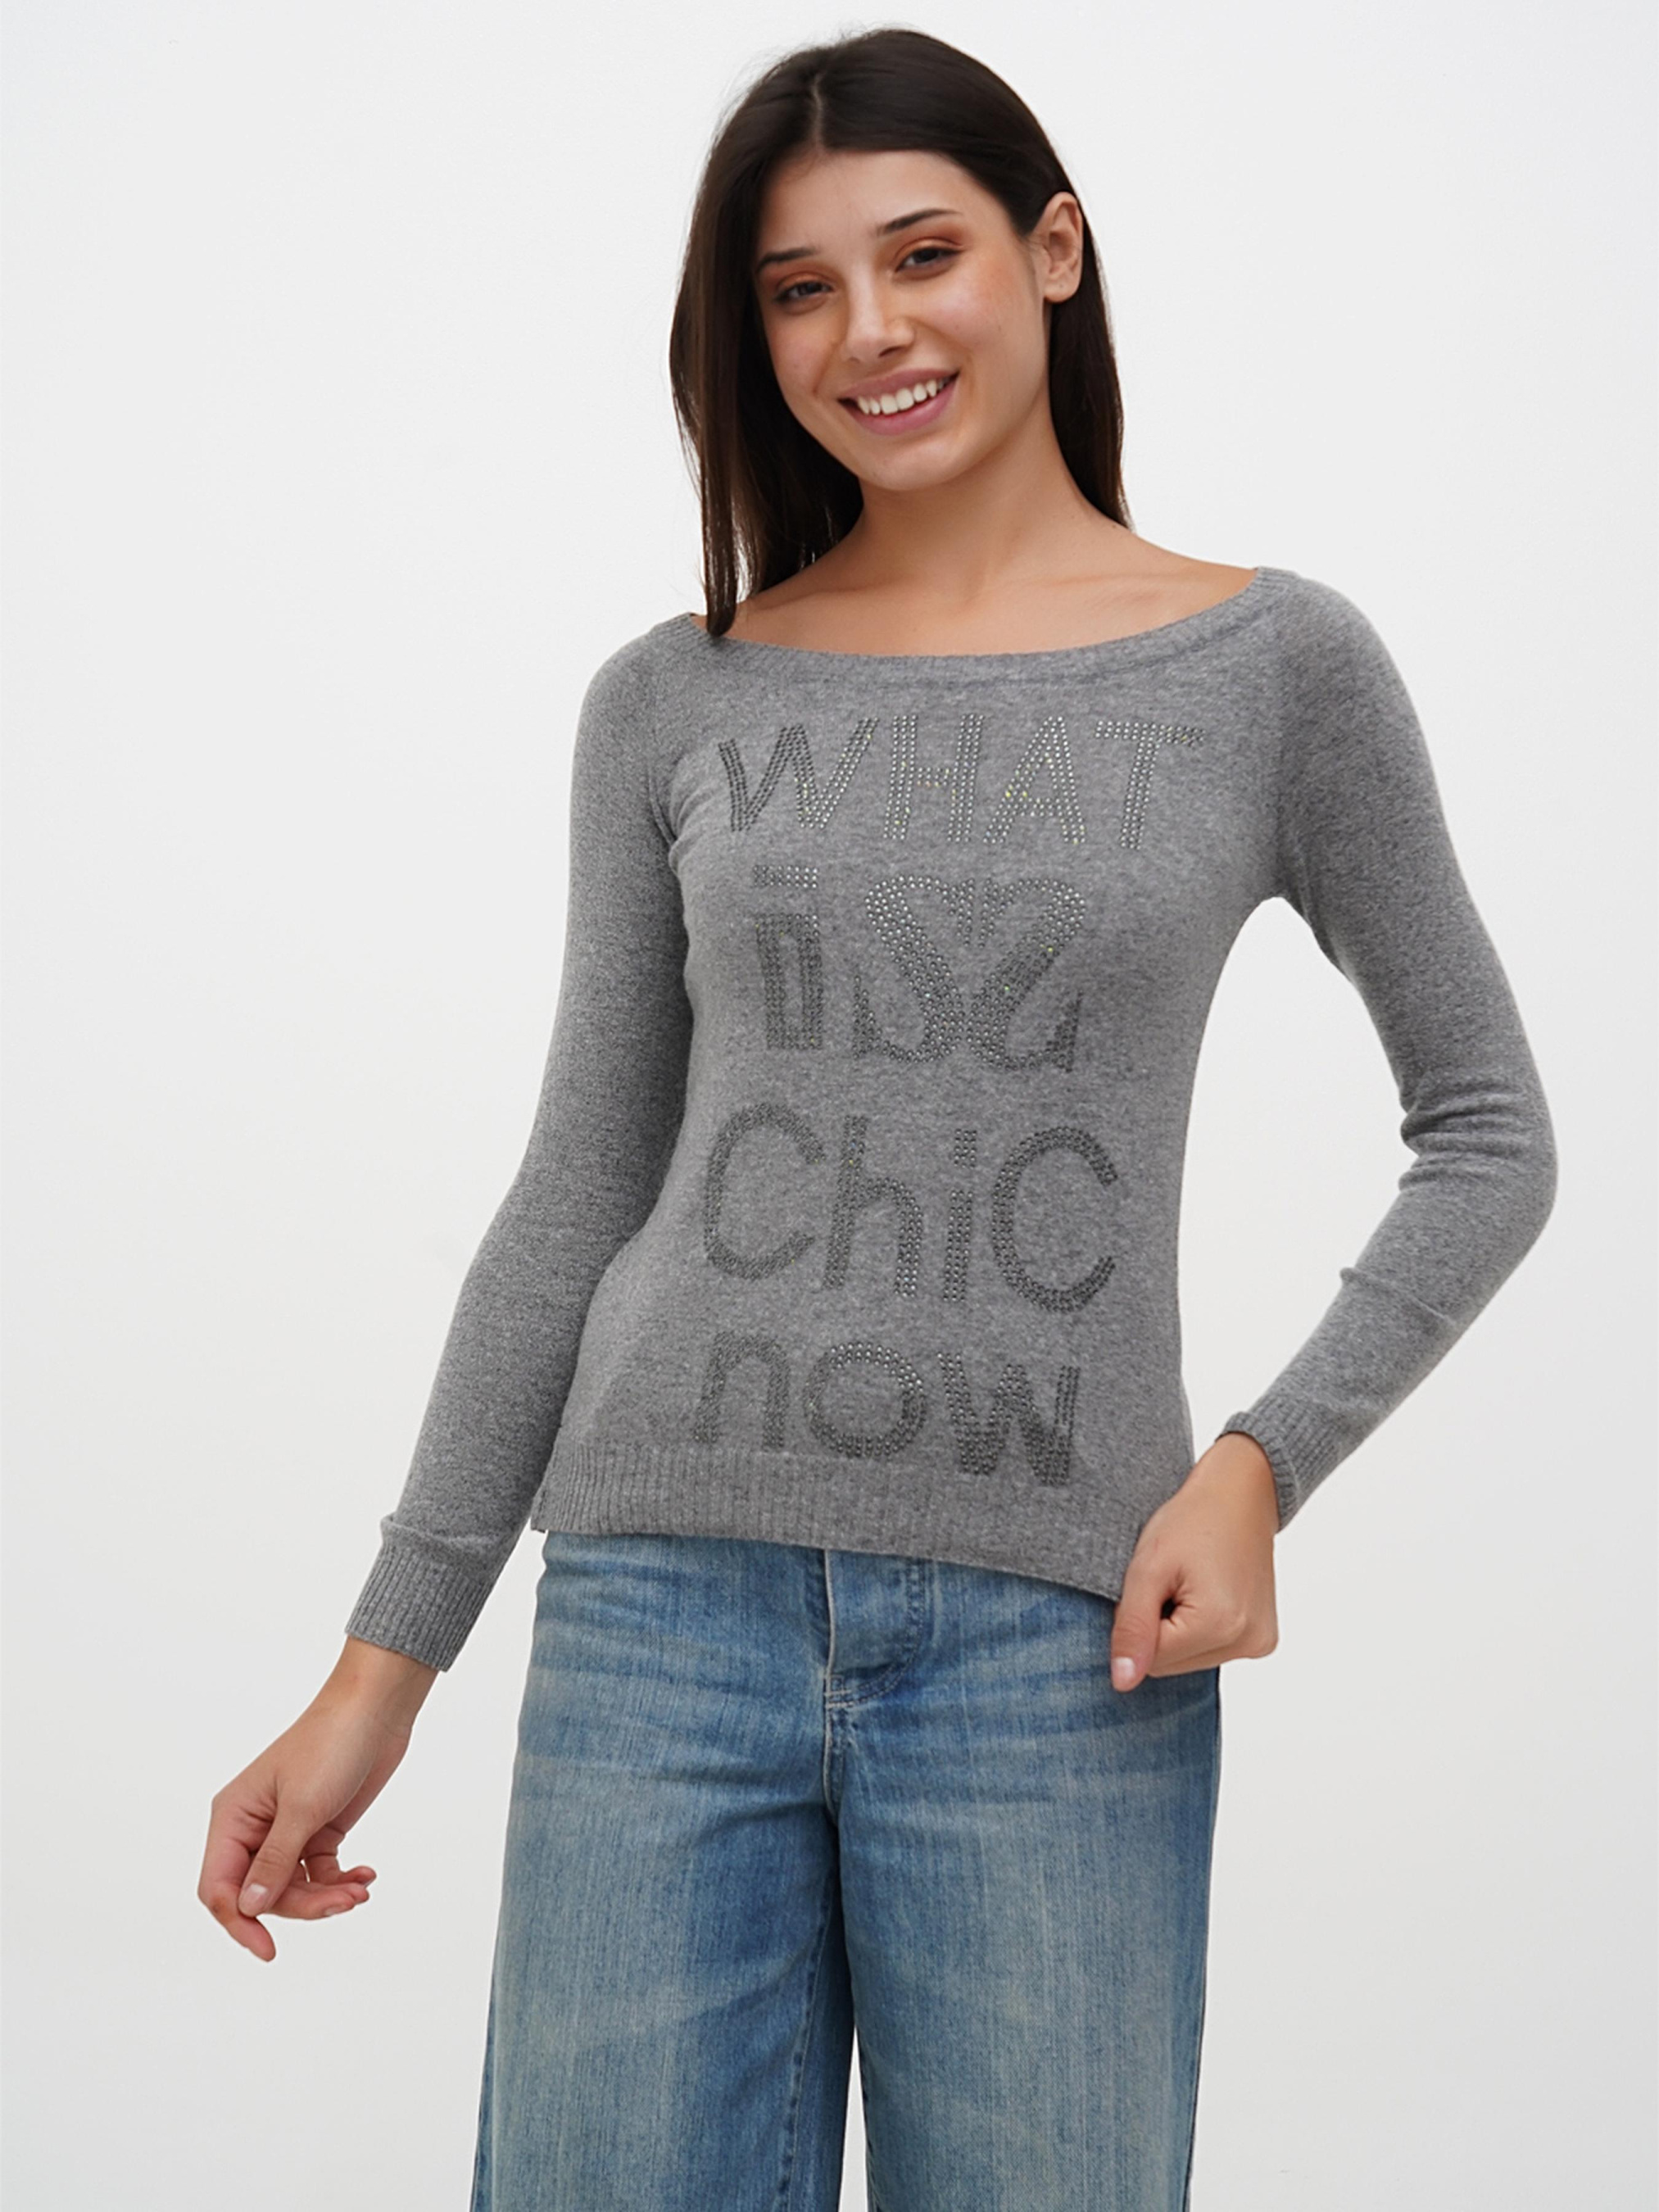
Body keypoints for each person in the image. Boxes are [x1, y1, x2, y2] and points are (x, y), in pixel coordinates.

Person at [197, 27, 1558, 2210]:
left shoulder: (1273, 670)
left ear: (1052, 250)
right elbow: (578, 1192)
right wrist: (385, 1667)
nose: (870, 331)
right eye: (800, 288)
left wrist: (1258, 1465)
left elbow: (1488, 1132)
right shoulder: (677, 696)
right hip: (658, 1619)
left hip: (1059, 1644)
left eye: (922, 255)